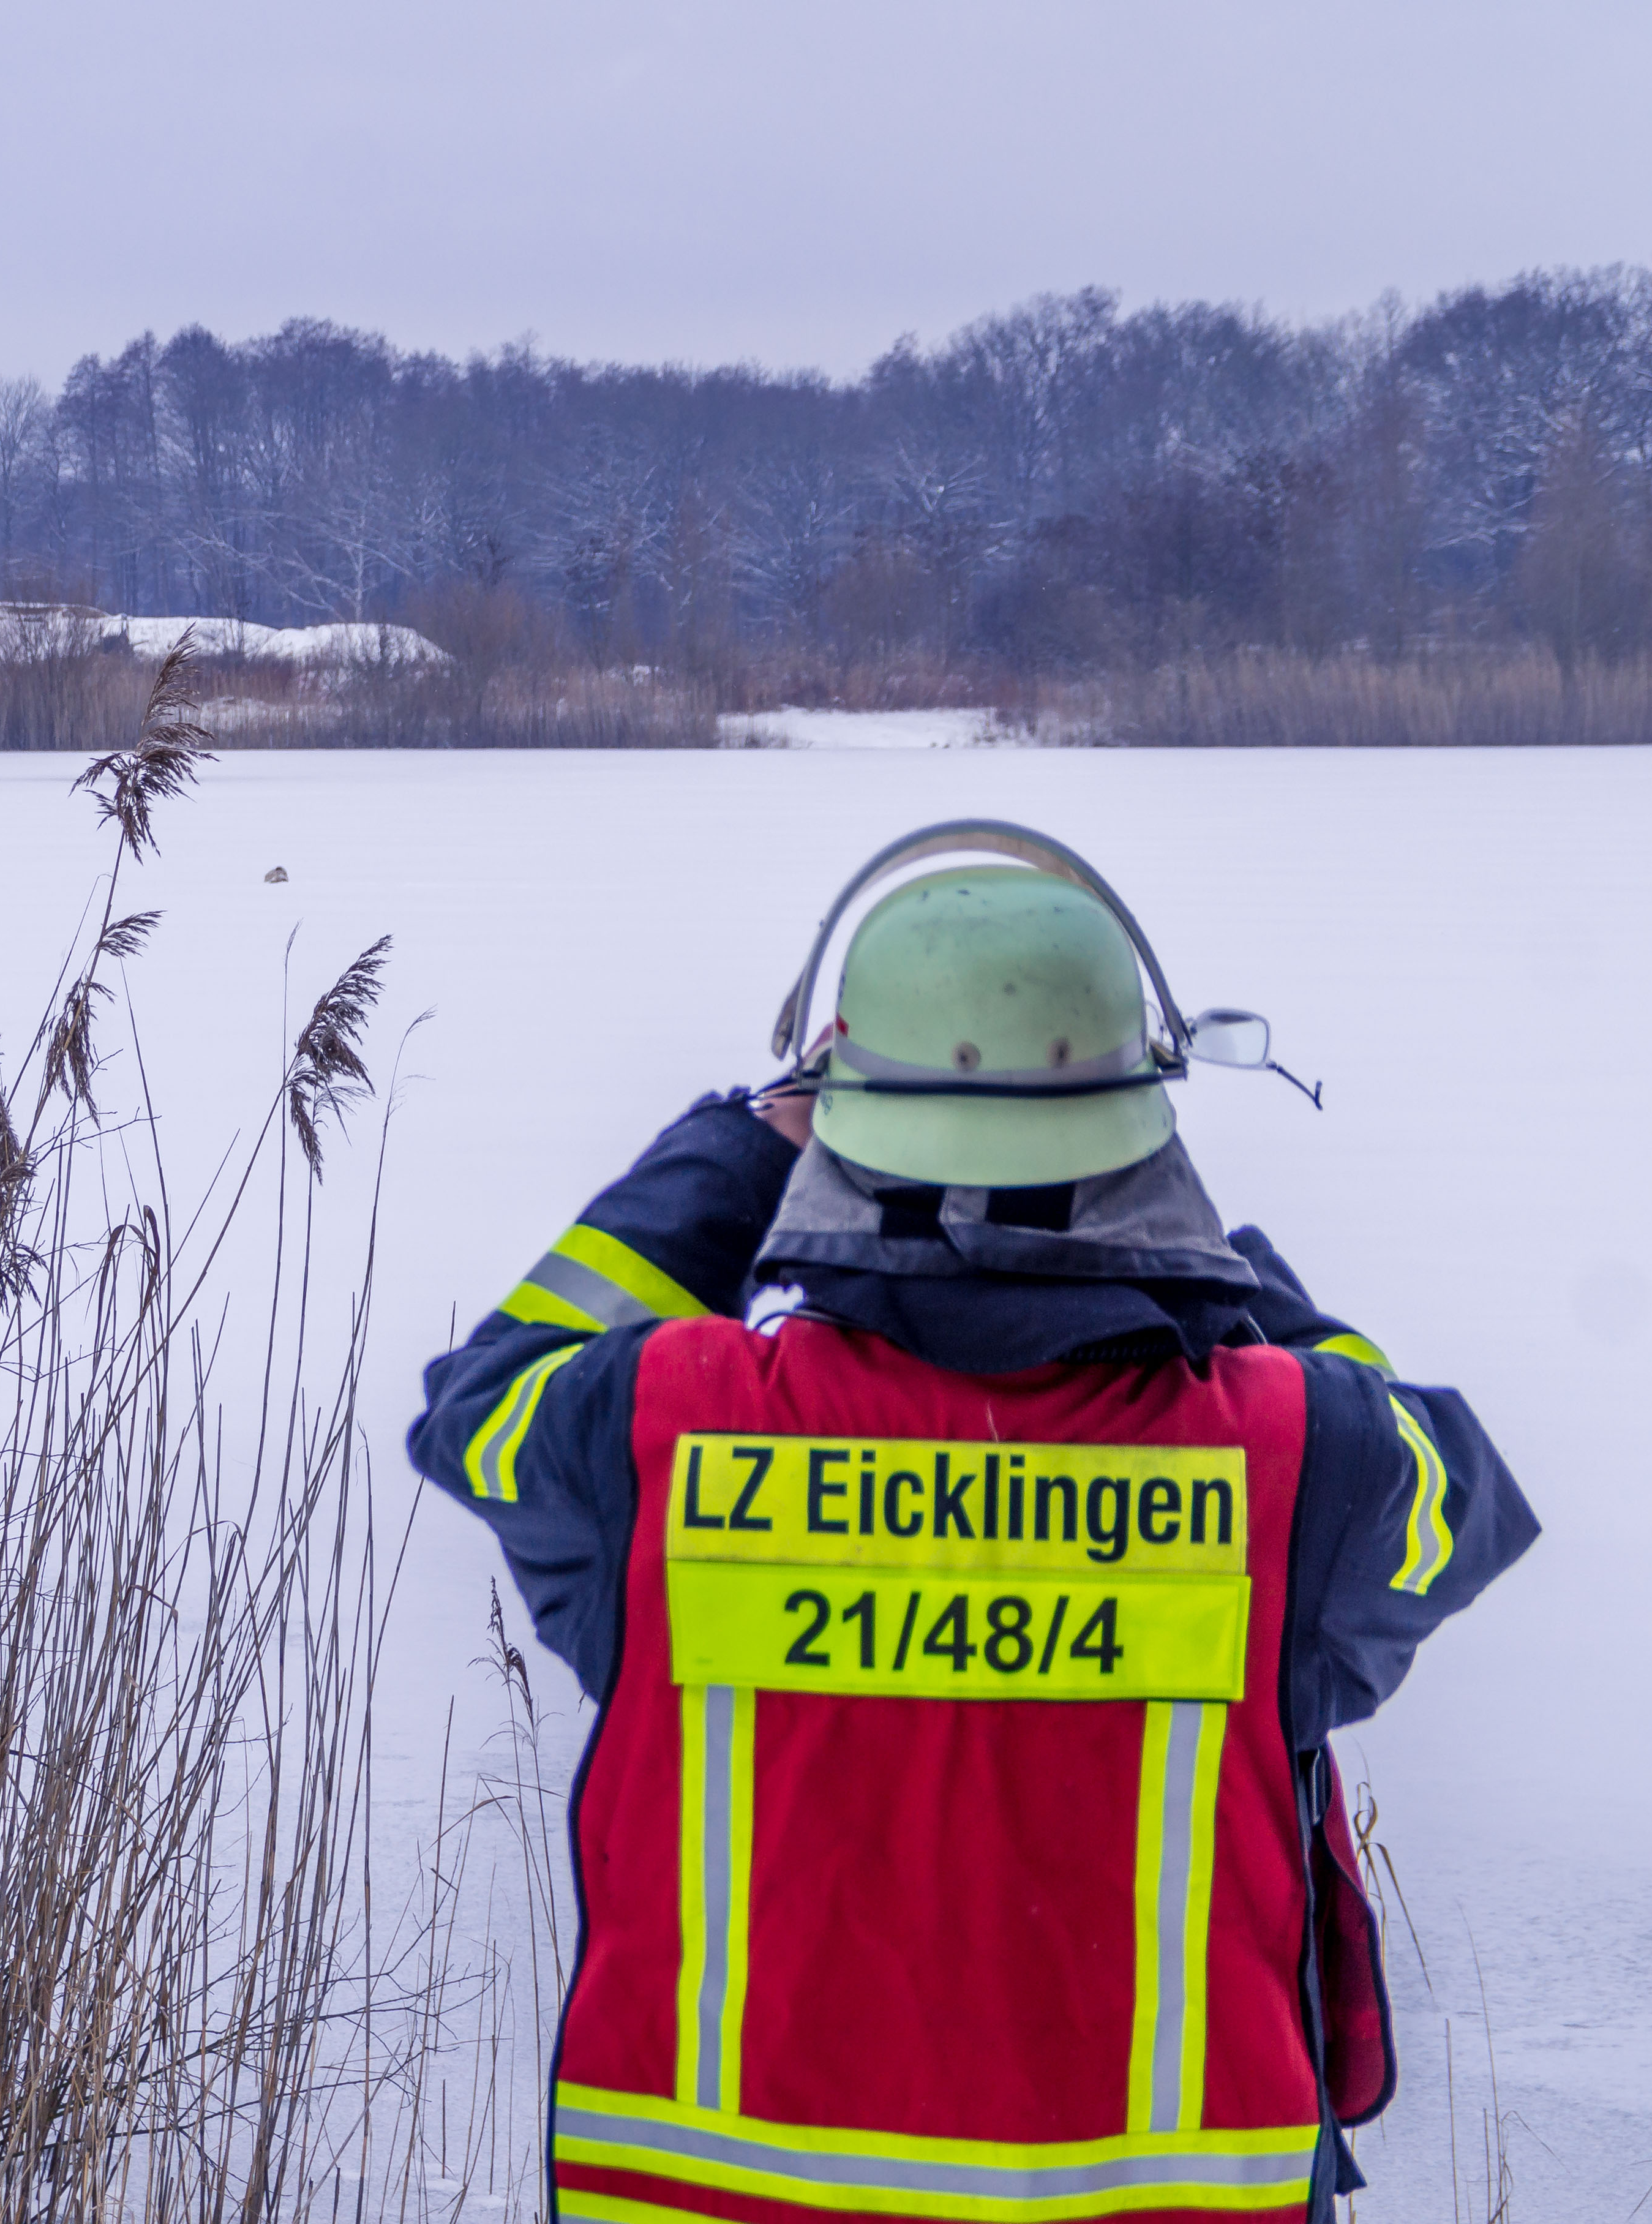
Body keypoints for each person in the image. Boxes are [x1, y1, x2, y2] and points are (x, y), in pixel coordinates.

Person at [408, 821, 1536, 2224]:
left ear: (842, 1136)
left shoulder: (666, 1437)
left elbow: (484, 1397)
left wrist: (737, 1150)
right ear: (1135, 1143)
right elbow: (1446, 1474)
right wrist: (1207, 1265)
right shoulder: (1281, 1462)